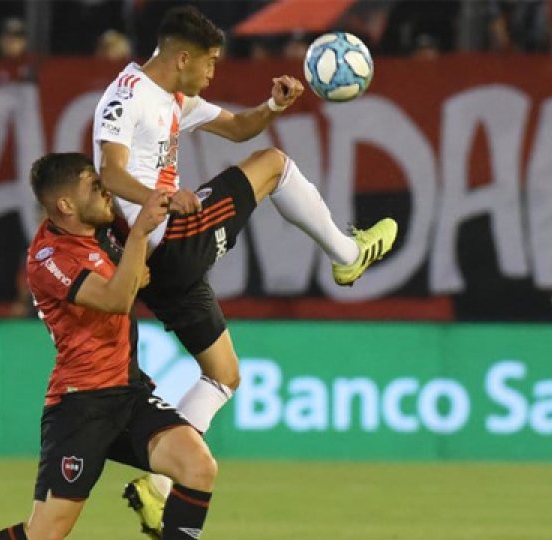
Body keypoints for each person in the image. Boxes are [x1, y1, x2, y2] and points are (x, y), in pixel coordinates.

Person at [91, 5, 398, 534]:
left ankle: (159, 486)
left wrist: (271, 106)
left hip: (162, 268)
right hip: (168, 242)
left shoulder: (173, 96)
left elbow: (236, 128)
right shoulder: (127, 96)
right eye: (209, 63)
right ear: (181, 57)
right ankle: (346, 256)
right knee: (275, 166)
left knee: (224, 375)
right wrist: (160, 198)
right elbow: (109, 172)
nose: (213, 72)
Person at [0, 153, 218, 540]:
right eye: (93, 186)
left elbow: (129, 280)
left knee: (198, 466)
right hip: (81, 406)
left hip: (128, 393)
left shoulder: (101, 231)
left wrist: (133, 267)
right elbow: (115, 299)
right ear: (65, 205)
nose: (104, 190)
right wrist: (139, 240)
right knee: (45, 533)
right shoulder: (49, 257)